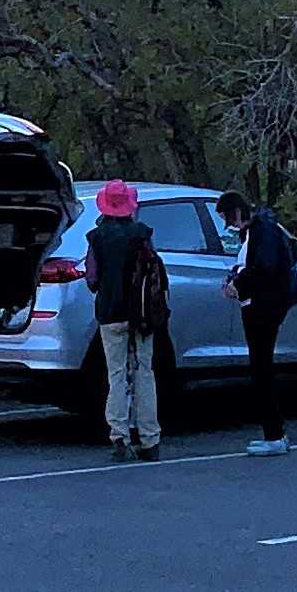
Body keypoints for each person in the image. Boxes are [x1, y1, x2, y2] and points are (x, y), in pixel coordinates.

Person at [80, 179, 170, 462]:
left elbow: (92, 278)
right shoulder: (141, 234)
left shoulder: (96, 237)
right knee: (144, 372)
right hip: (142, 313)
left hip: (109, 313)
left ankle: (119, 436)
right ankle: (150, 439)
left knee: (116, 375)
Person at [233, 206, 297, 452]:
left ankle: (274, 435)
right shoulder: (261, 230)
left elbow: (262, 269)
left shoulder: (262, 232)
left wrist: (238, 284)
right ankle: (273, 434)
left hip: (263, 307)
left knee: (262, 367)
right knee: (261, 366)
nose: (230, 226)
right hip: (263, 305)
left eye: (227, 218)